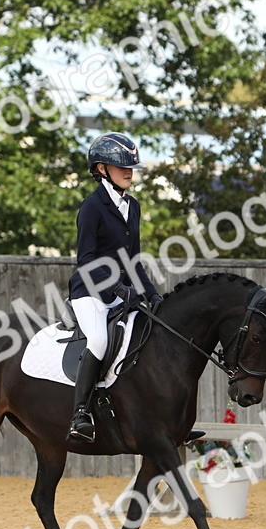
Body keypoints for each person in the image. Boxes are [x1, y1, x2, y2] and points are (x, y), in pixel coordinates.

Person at [67, 132, 164, 443]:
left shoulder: (132, 206)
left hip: (122, 293)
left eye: (131, 167)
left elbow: (133, 260)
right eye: (122, 166)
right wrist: (116, 290)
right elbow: (86, 260)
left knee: (151, 336)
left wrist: (152, 295)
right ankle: (80, 413)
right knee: (98, 340)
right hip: (90, 292)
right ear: (101, 169)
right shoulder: (91, 207)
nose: (129, 172)